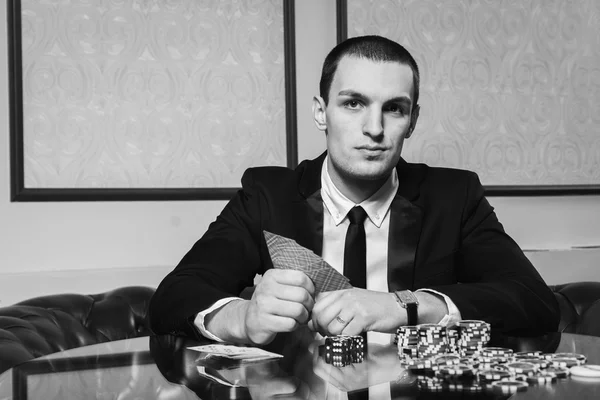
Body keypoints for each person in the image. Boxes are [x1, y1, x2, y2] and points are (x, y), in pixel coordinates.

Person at [149, 35, 560, 346]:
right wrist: (242, 317)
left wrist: (404, 306)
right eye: (353, 104)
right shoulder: (267, 194)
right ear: (320, 111)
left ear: (412, 120)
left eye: (393, 108)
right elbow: (174, 296)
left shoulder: (454, 196)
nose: (375, 129)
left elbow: (534, 301)